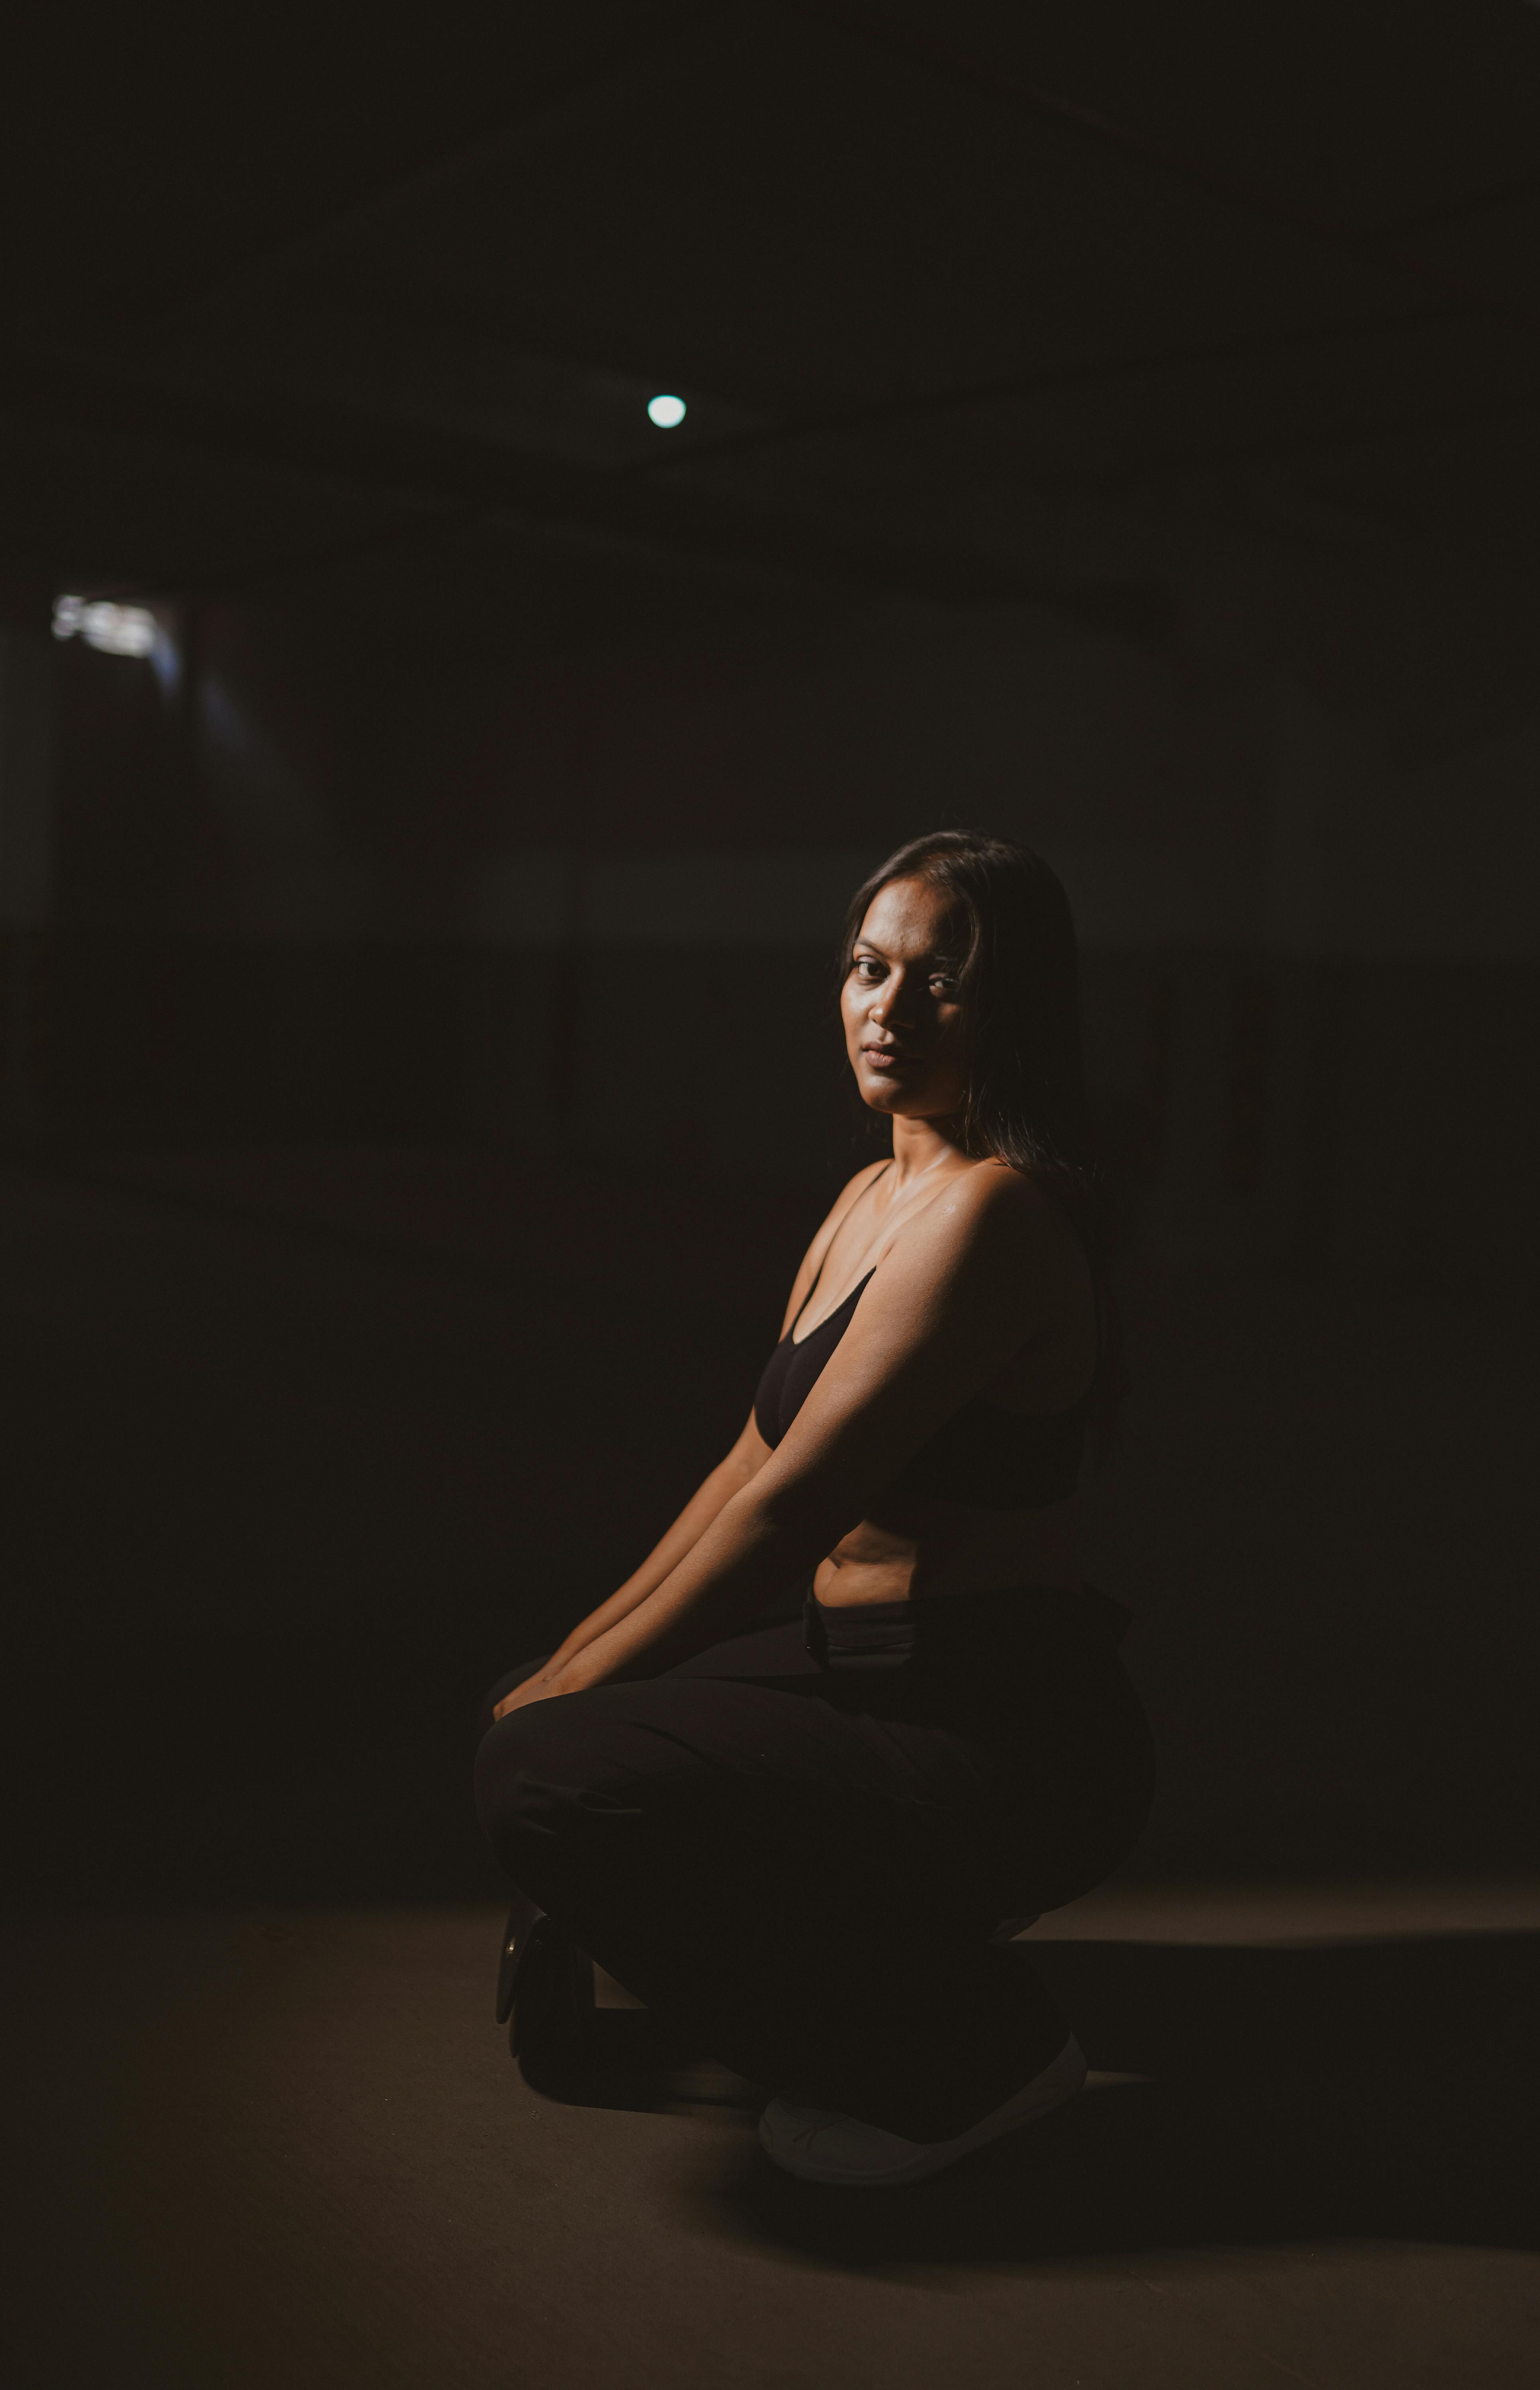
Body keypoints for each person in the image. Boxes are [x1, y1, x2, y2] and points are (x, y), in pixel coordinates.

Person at [474, 829, 1154, 2187]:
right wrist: (560, 1670)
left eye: (940, 980)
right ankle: (893, 1928)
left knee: (550, 1773)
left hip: (997, 1719)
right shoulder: (870, 1197)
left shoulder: (992, 1219)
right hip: (872, 1675)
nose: (890, 1009)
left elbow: (791, 1513)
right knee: (551, 1719)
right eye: (867, 967)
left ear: (1015, 1003)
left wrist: (559, 1719)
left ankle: (979, 2065)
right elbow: (744, 1461)